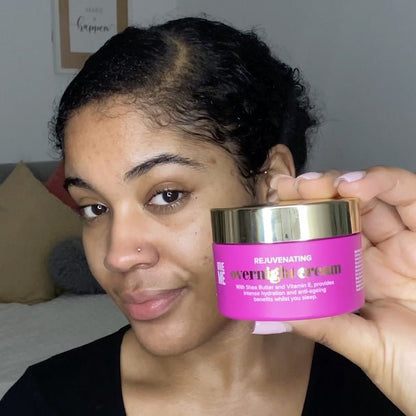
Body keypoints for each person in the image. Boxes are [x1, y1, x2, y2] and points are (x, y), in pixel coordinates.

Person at [1, 16, 415, 416]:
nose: (117, 256)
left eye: (167, 195)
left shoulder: (387, 374)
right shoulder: (41, 403)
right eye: (94, 208)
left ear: (270, 184)